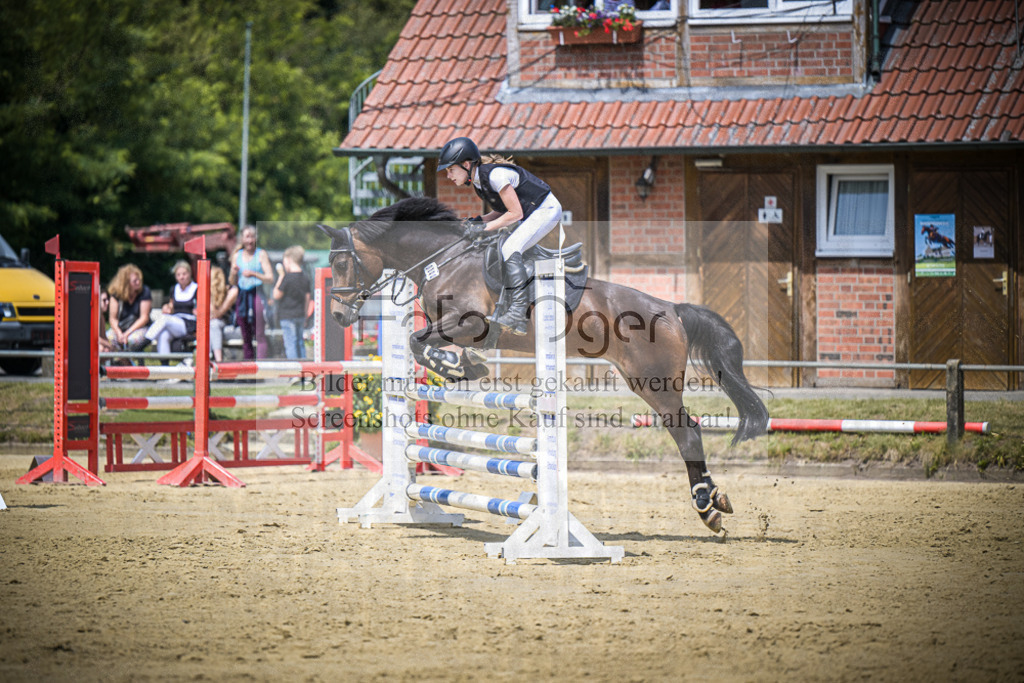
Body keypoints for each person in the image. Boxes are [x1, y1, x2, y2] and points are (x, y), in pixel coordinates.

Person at [437, 136, 563, 336]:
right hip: (530, 213)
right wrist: (479, 221)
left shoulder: (496, 176)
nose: (448, 175)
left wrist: (484, 229)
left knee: (510, 248)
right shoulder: (479, 183)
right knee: (501, 247)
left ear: (466, 164)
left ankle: (518, 314)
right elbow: (501, 211)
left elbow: (515, 214)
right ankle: (508, 307)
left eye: (451, 169)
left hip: (546, 210)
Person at [229, 226, 273, 359]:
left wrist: (254, 274)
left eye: (252, 237)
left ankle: (261, 366)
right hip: (243, 296)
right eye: (247, 237)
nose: (250, 240)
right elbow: (232, 282)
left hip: (256, 294)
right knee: (246, 336)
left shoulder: (261, 254)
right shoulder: (237, 256)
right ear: (242, 239)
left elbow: (270, 278)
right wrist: (233, 272)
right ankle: (248, 369)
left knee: (259, 333)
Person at [141, 260, 198, 361]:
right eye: (178, 274)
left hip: (189, 324)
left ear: (189, 273)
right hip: (176, 322)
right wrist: (167, 307)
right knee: (163, 335)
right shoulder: (174, 289)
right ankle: (165, 369)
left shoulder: (196, 289)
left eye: (184, 274)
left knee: (165, 319)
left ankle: (143, 344)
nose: (181, 277)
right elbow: (171, 306)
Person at [272, 245, 311, 359]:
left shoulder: (287, 278)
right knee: (299, 342)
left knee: (290, 344)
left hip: (287, 316)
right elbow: (307, 298)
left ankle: (294, 373)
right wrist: (305, 315)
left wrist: (281, 276)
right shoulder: (305, 277)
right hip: (300, 315)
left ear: (288, 260)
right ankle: (304, 370)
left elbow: (276, 295)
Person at [106, 264, 152, 357]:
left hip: (138, 328)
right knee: (109, 338)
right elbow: (112, 319)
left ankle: (126, 364)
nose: (138, 282)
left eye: (139, 279)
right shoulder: (116, 294)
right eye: (135, 281)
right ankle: (123, 363)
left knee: (131, 340)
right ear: (125, 282)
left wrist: (127, 334)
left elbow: (144, 317)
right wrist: (119, 333)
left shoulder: (144, 292)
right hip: (120, 328)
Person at [209, 266, 238, 362]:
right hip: (215, 329)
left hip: (230, 327)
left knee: (214, 324)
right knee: (210, 326)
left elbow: (217, 314)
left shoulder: (231, 291)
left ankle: (218, 361)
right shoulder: (207, 292)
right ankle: (207, 360)